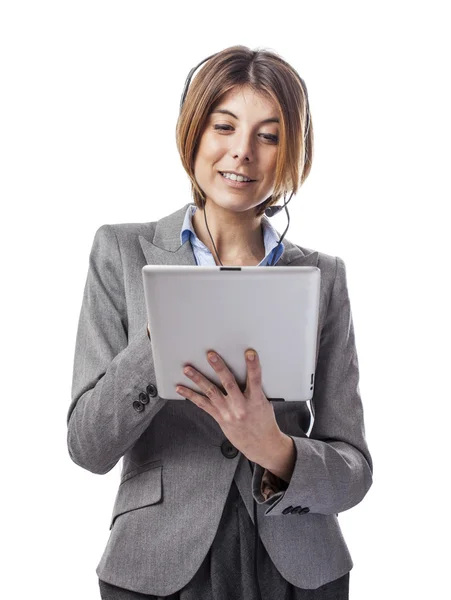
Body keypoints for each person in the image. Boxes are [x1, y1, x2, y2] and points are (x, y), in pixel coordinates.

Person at [67, 45, 373, 600]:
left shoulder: (322, 276)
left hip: (299, 567)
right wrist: (161, 338)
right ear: (193, 132)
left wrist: (275, 449)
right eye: (223, 126)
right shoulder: (120, 252)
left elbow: (353, 468)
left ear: (291, 153)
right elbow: (88, 447)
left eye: (269, 135)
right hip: (156, 562)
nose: (242, 152)